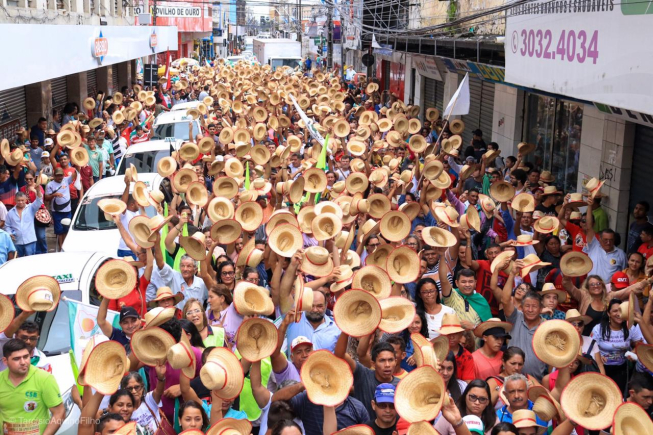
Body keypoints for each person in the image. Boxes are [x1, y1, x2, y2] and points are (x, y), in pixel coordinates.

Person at [0, 339, 64, 435]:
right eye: (16, 359)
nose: (23, 362)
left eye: (26, 357)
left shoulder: (45, 379)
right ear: (5, 361)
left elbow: (60, 413)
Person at [591, 298, 643, 394]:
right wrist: (599, 356)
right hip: (603, 368)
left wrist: (634, 351)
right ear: (608, 313)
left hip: (622, 369)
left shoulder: (630, 327)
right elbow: (591, 348)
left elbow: (640, 344)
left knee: (618, 395)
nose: (619, 314)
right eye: (615, 311)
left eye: (621, 311)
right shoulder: (599, 329)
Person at [44, 167, 77, 251]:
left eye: (61, 175)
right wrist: (54, 195)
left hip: (67, 210)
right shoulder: (50, 184)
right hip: (56, 211)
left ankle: (64, 247)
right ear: (54, 176)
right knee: (59, 231)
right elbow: (46, 198)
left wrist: (77, 164)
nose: (60, 177)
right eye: (58, 176)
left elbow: (76, 174)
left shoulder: (66, 180)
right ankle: (60, 247)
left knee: (66, 230)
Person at [4, 189, 43, 257]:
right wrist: (9, 233)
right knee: (19, 261)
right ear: (15, 200)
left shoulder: (31, 208)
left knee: (30, 261)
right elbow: (7, 225)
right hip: (17, 241)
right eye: (18, 200)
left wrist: (38, 191)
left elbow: (39, 201)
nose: (20, 202)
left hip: (30, 240)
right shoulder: (10, 213)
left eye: (22, 200)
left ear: (26, 200)